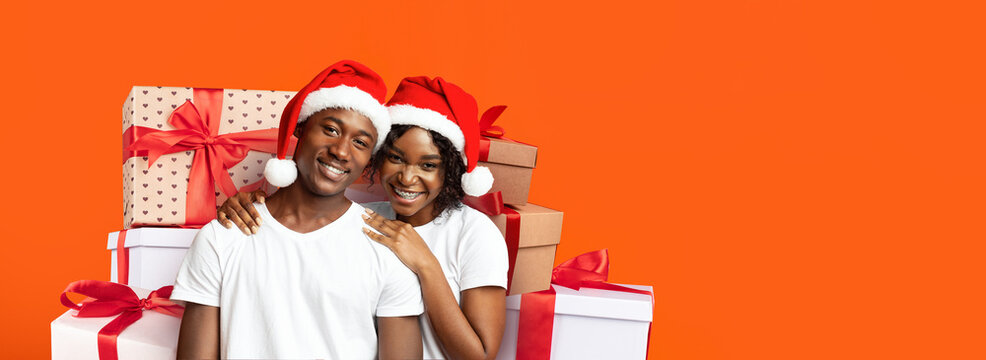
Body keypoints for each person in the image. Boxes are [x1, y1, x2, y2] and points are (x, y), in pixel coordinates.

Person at [219, 76, 509, 359]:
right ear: (378, 158)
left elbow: (481, 355)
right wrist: (250, 206)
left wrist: (426, 264)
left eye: (428, 165)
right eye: (396, 158)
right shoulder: (367, 218)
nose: (407, 178)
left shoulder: (474, 233)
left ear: (451, 171)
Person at [172, 60, 424, 360]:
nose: (341, 151)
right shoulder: (223, 237)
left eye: (360, 142)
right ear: (300, 129)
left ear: (370, 158)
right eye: (330, 129)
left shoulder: (387, 247)